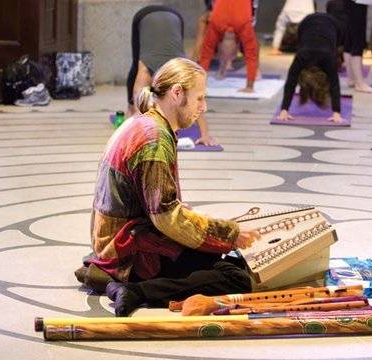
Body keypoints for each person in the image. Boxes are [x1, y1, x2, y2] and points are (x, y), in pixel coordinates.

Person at [80, 58, 261, 317]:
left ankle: (133, 285)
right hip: (129, 246)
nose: (204, 106)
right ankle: (134, 290)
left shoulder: (145, 122)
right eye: (199, 98)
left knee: (221, 260)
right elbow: (166, 217)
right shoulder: (154, 140)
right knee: (235, 279)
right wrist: (229, 233)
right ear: (177, 93)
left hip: (121, 235)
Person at [127, 5, 216, 146]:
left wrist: (205, 135)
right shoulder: (147, 69)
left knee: (136, 64)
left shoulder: (184, 74)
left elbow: (197, 101)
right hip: (146, 16)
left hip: (175, 17)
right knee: (137, 64)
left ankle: (130, 109)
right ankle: (129, 108)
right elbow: (140, 97)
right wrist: (138, 121)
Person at [279, 13, 344, 123]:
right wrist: (336, 112)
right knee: (334, 53)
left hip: (327, 24)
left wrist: (284, 109)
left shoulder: (303, 57)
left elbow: (291, 81)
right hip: (308, 24)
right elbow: (334, 84)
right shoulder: (305, 56)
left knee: (335, 50)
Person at [198, 0, 259, 93]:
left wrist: (200, 86)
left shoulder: (216, 24)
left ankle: (222, 68)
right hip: (236, 18)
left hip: (229, 18)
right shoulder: (243, 25)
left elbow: (205, 55)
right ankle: (222, 68)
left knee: (206, 51)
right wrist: (250, 86)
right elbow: (252, 55)